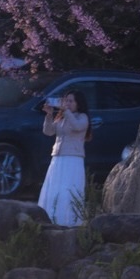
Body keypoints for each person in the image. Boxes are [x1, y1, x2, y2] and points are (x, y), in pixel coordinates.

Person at [38, 89, 90, 227]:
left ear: (78, 103)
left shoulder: (82, 117)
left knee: (68, 189)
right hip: (58, 158)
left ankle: (70, 221)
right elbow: (48, 131)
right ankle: (51, 218)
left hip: (73, 159)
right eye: (66, 101)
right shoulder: (61, 118)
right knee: (55, 188)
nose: (67, 104)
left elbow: (77, 127)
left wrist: (65, 111)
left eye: (71, 101)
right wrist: (49, 115)